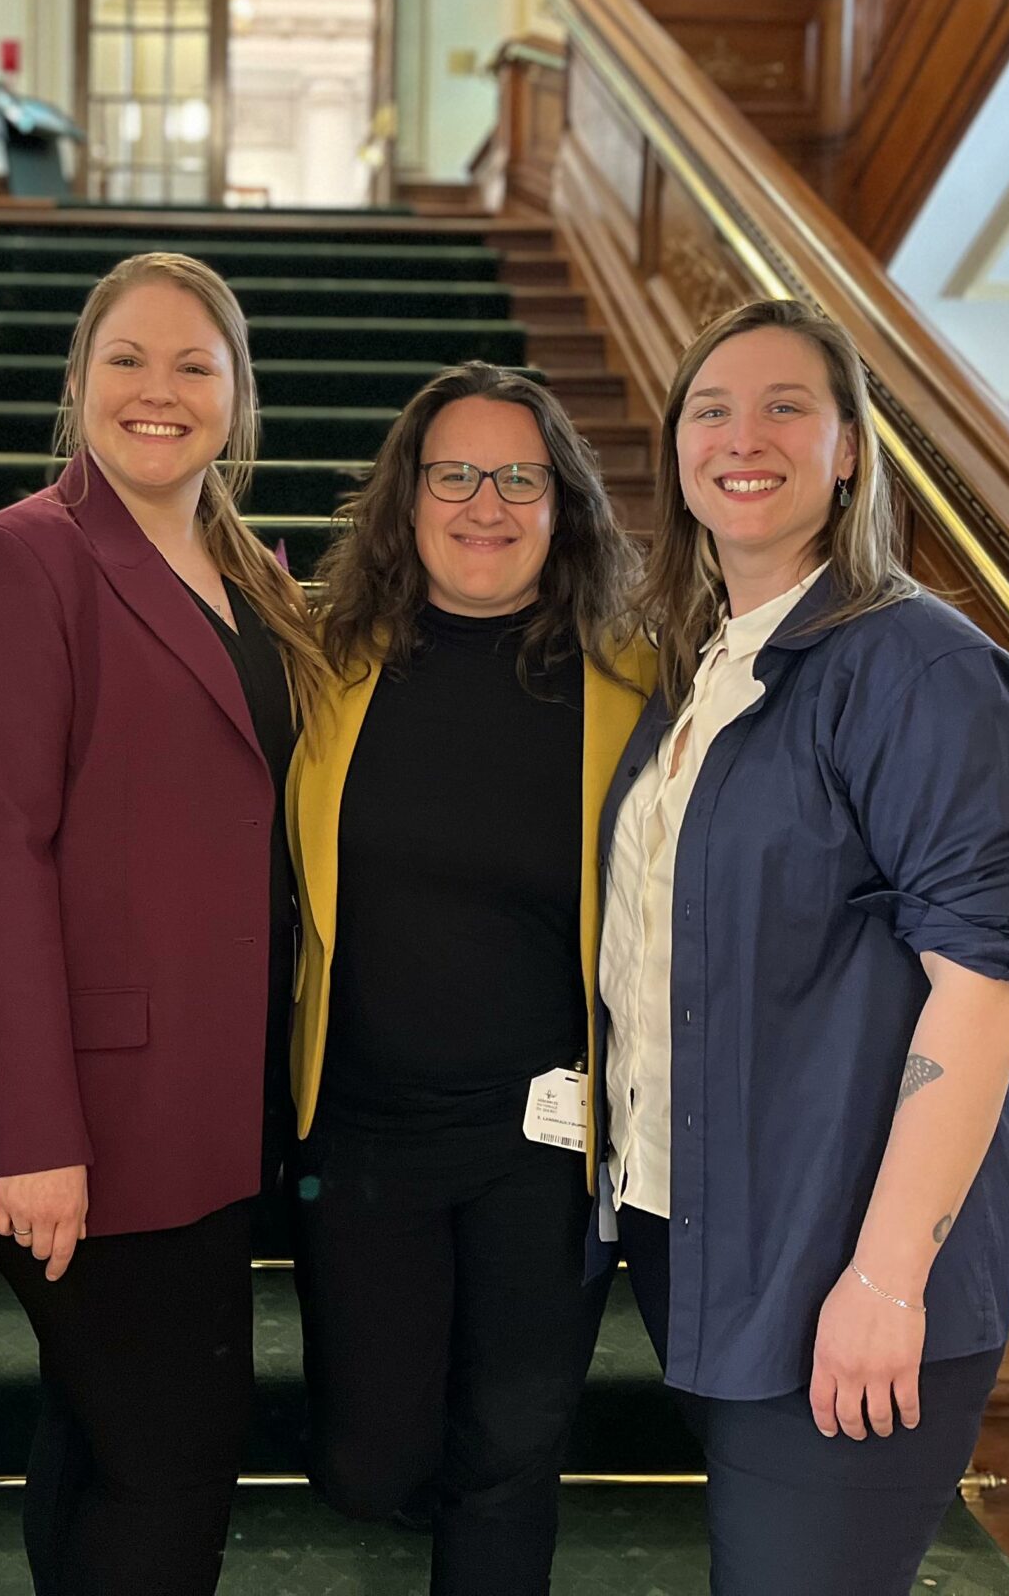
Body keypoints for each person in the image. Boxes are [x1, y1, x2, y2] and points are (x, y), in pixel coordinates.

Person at [594, 297, 1009, 1594]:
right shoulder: (710, 665)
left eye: (784, 407)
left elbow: (982, 994)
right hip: (703, 1233)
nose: (742, 437)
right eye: (711, 410)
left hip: (844, 1257)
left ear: (851, 449)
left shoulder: (918, 669)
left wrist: (886, 1277)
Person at [0, 251, 326, 1596]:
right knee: (176, 1459)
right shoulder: (15, 561)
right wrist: (32, 1131)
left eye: (195, 365)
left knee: (101, 1441)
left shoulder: (255, 572)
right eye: (128, 362)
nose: (161, 392)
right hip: (85, 1118)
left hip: (214, 1104)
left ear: (239, 397)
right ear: (78, 382)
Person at [286, 363, 653, 1594]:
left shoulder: (636, 682)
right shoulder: (324, 665)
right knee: (372, 1458)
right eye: (454, 473)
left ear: (564, 505)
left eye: (519, 478)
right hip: (365, 1128)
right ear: (407, 495)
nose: (484, 502)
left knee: (511, 1450)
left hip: (541, 1141)